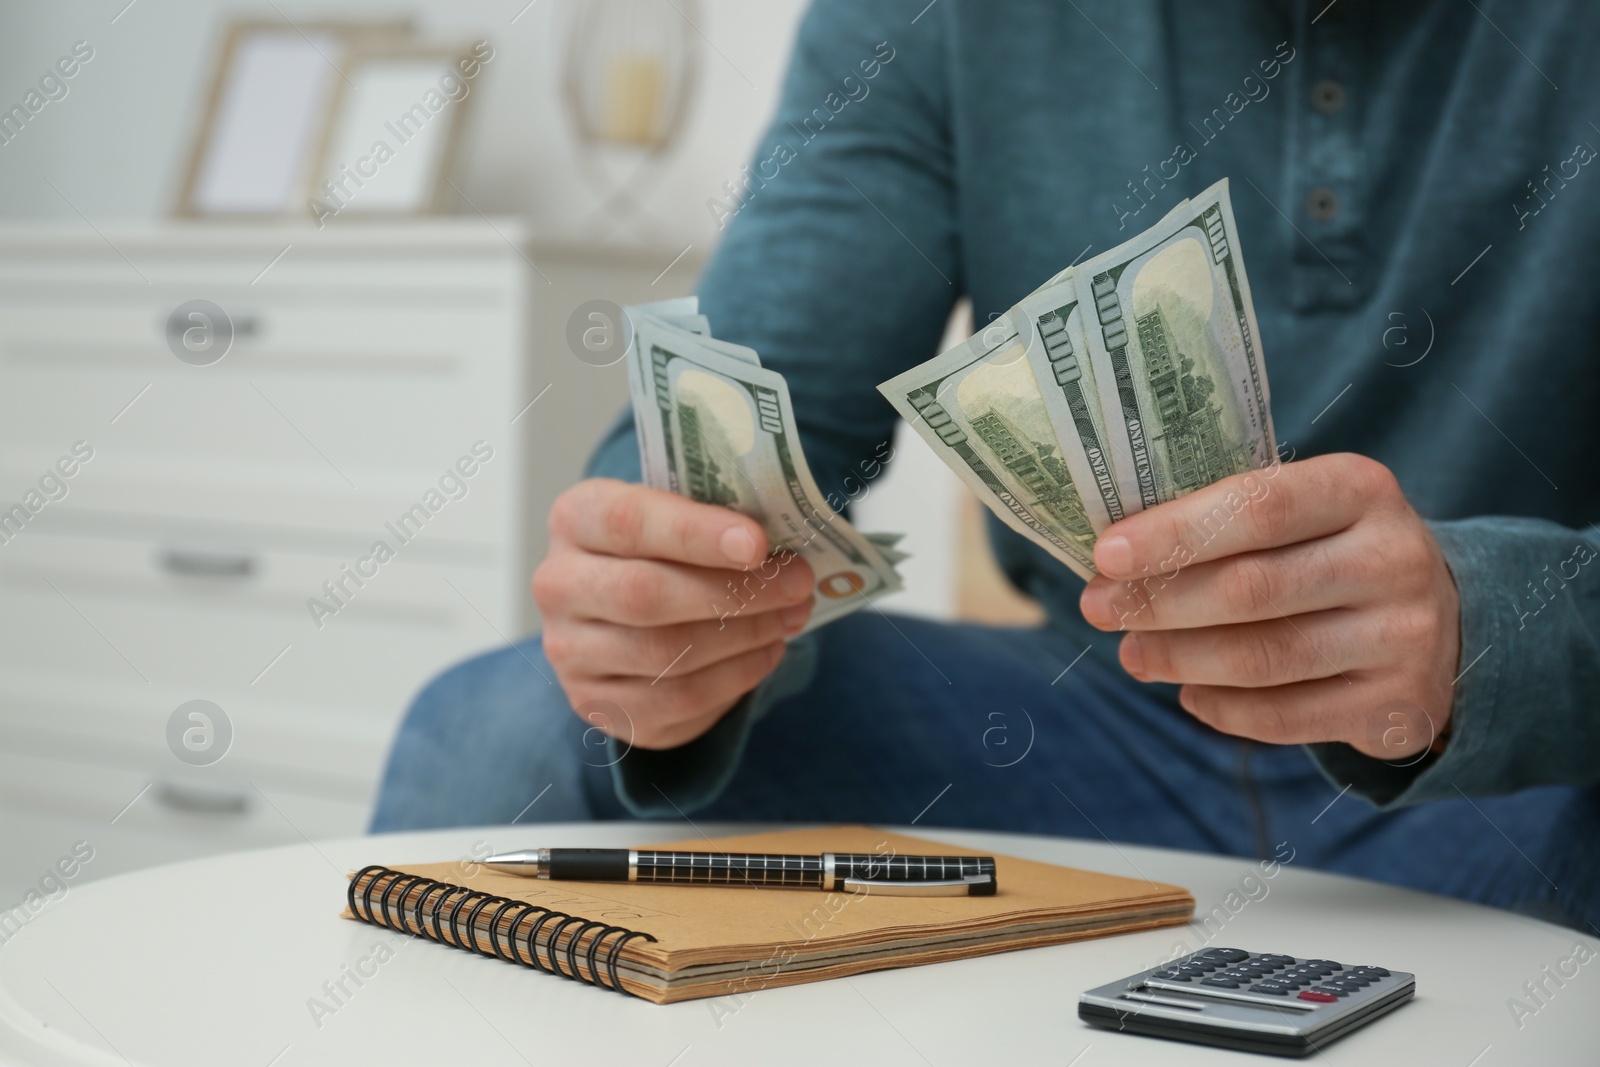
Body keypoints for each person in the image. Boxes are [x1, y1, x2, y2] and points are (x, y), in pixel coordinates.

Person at [373, 0, 1599, 933]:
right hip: (1098, 724)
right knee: (493, 734)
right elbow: (763, 394)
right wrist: (656, 595)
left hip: (1534, 773)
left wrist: (1486, 630)